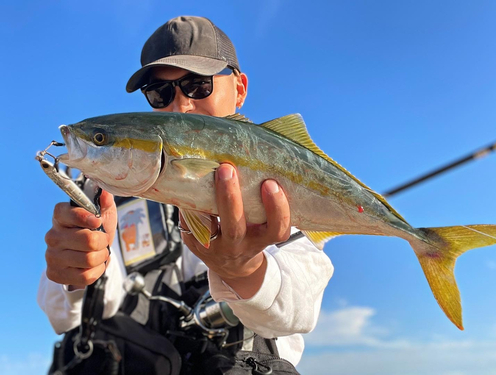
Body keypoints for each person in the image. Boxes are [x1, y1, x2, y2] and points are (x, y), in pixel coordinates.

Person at [38, 15, 334, 373]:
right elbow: (63, 314)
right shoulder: (111, 190)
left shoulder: (277, 176)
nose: (181, 105)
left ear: (239, 89)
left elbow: (300, 305)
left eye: (198, 85)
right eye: (160, 93)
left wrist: (246, 271)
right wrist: (76, 271)